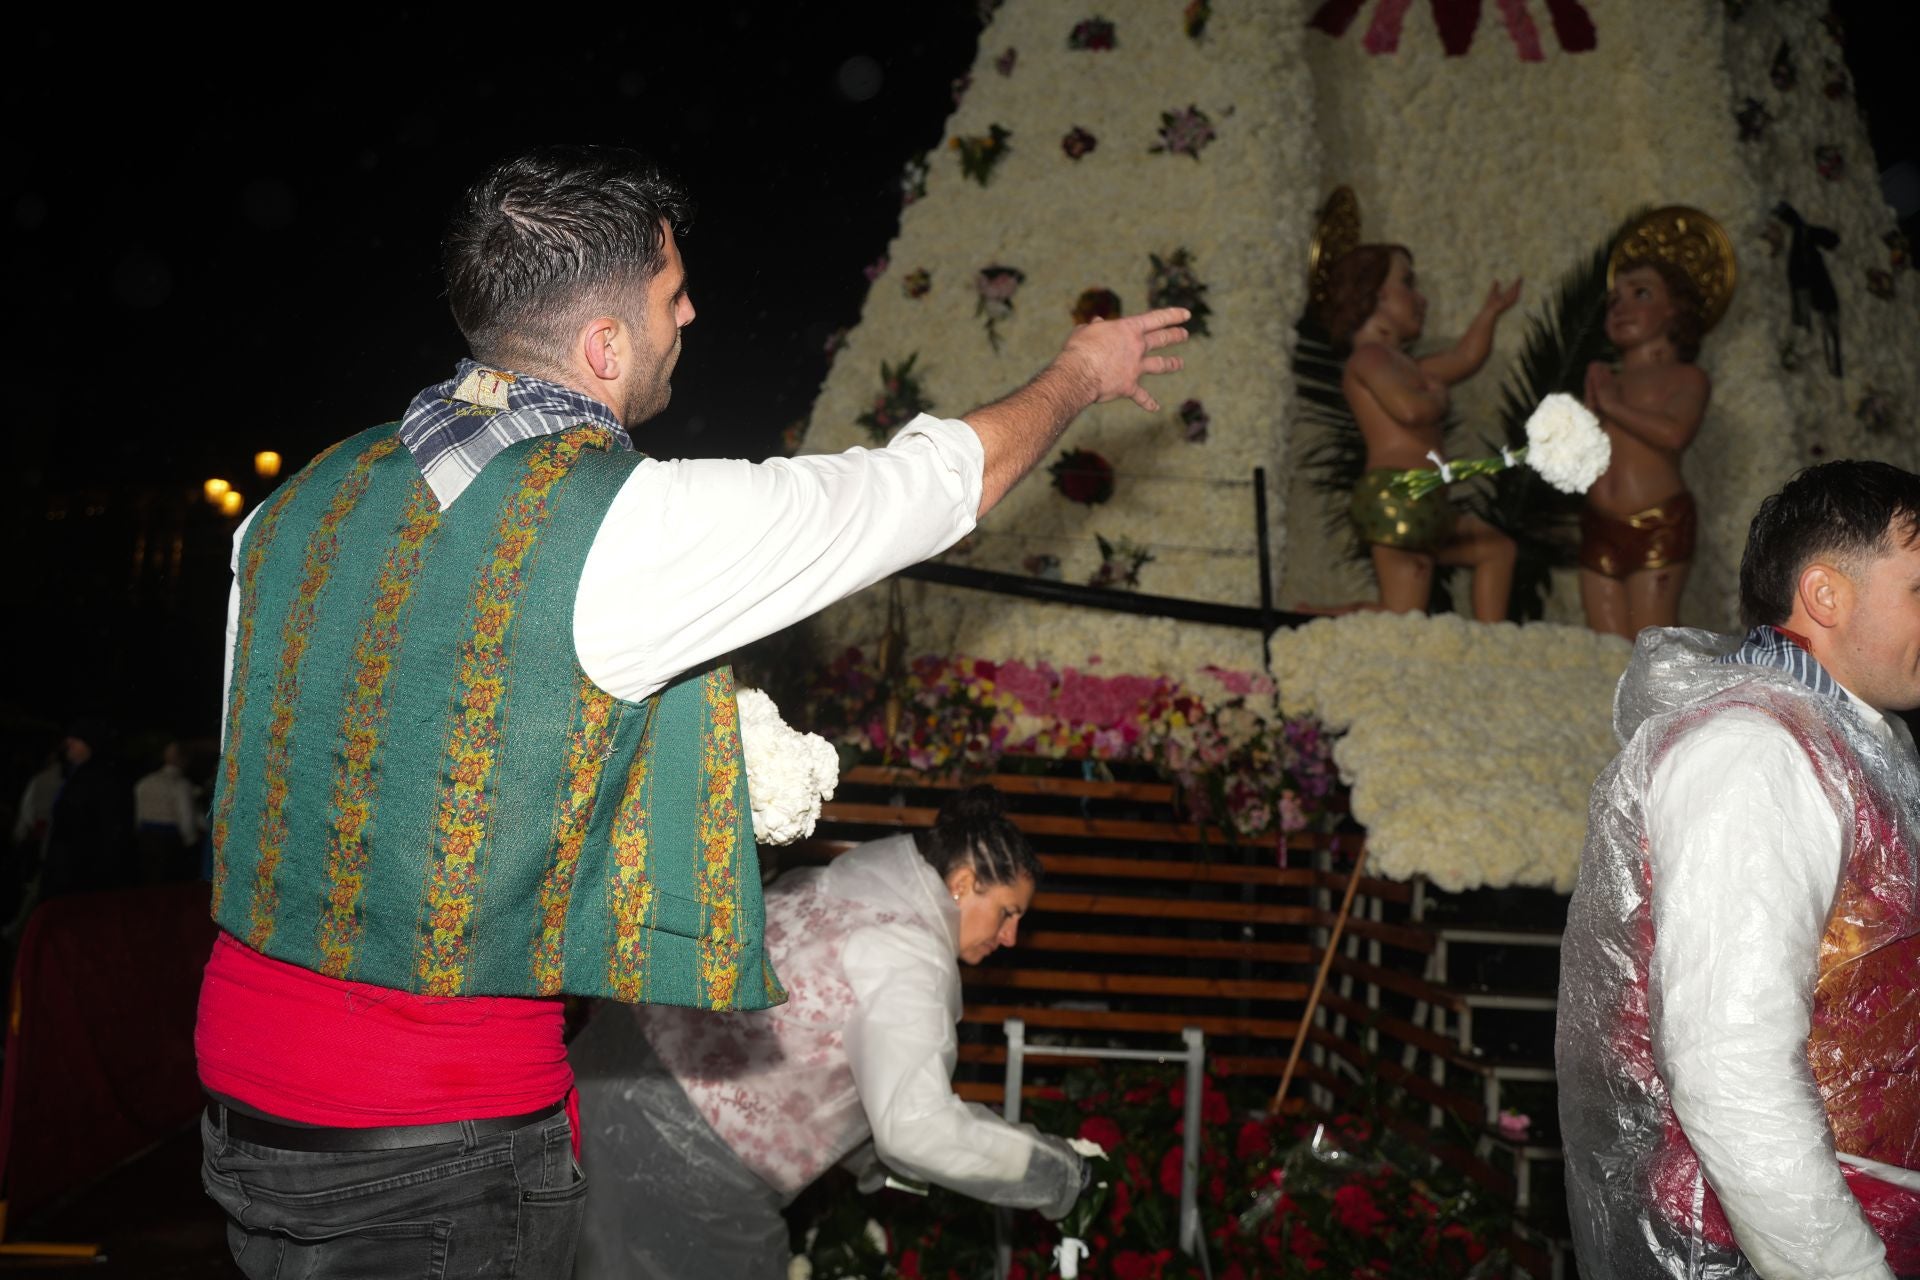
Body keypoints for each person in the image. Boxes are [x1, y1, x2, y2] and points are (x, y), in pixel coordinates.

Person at [194, 143, 1187, 1280]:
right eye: (674, 297)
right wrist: (1077, 373)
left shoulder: (293, 502)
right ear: (604, 346)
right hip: (437, 1138)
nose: (694, 313)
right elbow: (924, 488)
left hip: (241, 1105)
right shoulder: (625, 527)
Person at [1557, 460, 1920, 1277]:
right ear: (1827, 596)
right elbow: (1731, 1067)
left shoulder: (1844, 744)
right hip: (1771, 1243)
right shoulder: (1758, 752)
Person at [570, 786, 1080, 1278]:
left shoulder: (834, 886)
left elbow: (807, 1045)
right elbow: (918, 1129)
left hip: (598, 1076)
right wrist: (1058, 1174)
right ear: (964, 884)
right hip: (685, 1159)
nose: (1010, 937)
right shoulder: (910, 954)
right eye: (1008, 912)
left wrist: (867, 1155)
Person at [1323, 243, 1521, 621]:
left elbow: (1465, 358)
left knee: (1496, 549)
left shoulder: (1409, 367)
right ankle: (1314, 620)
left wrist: (1490, 313)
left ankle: (1490, 643)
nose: (1420, 299)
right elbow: (1409, 409)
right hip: (1398, 493)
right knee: (1401, 616)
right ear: (1375, 293)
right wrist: (1438, 399)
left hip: (1425, 497)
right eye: (1407, 284)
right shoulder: (1370, 358)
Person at [1580, 257, 1712, 639]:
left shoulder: (1686, 377)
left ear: (1674, 308)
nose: (1621, 307)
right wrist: (1590, 404)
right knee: (1605, 650)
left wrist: (1611, 404)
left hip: (1658, 523)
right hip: (1598, 523)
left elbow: (1674, 434)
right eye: (1613, 300)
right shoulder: (1607, 381)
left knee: (1652, 648)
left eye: (1640, 293)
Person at [134, 739, 203, 883]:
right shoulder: (181, 784)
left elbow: (139, 815)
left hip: (146, 840)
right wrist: (191, 842)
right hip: (170, 844)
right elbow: (186, 818)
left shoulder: (144, 782)